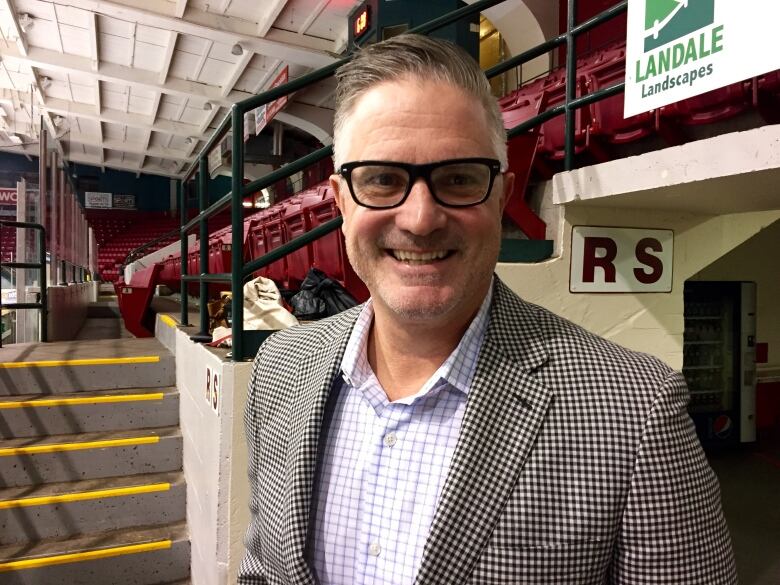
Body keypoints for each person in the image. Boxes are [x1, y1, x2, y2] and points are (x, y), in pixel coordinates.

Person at [239, 34, 736, 585]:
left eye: (458, 179)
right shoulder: (282, 368)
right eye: (382, 180)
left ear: (501, 197)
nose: (421, 219)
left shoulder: (638, 412)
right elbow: (263, 569)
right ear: (340, 200)